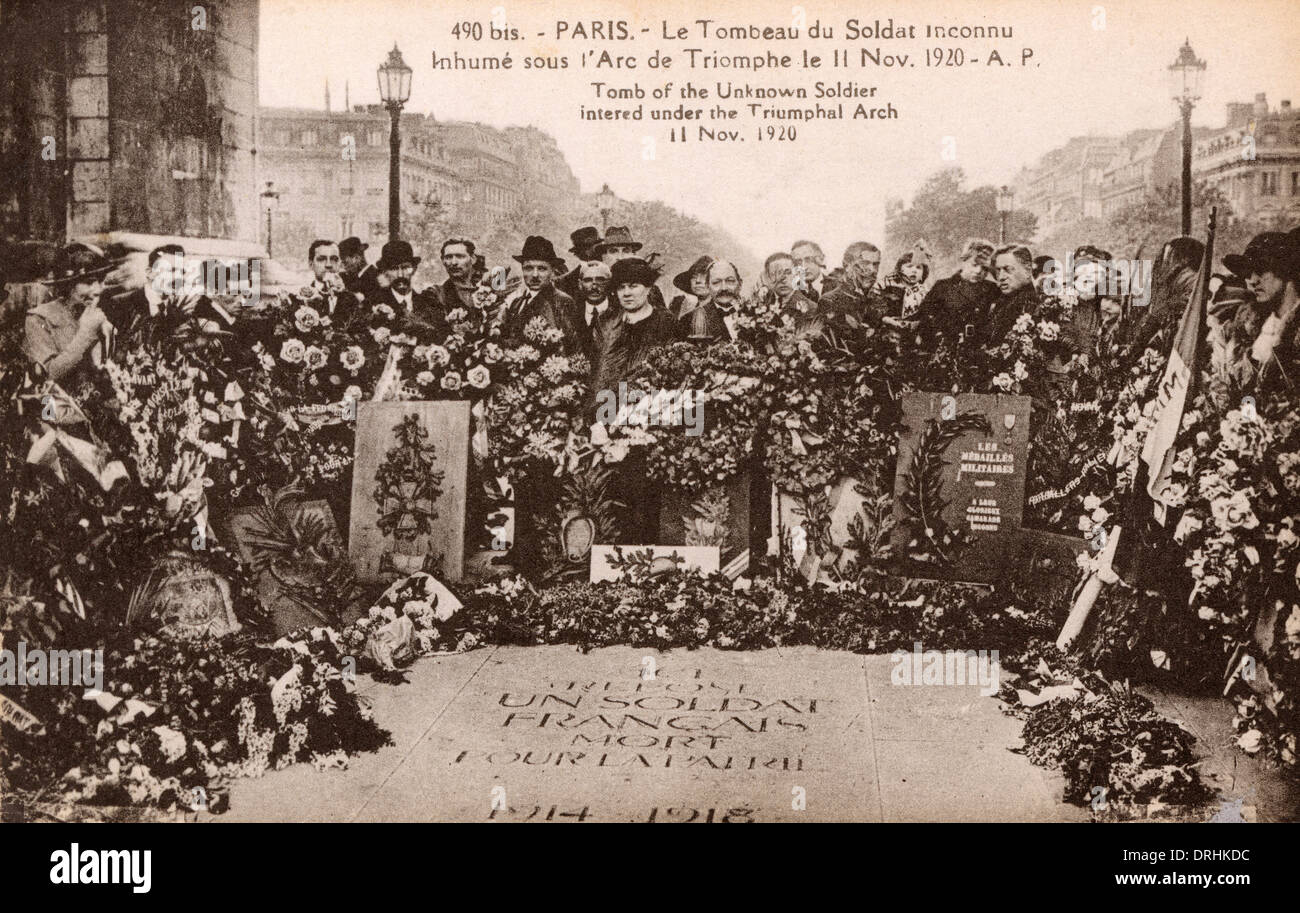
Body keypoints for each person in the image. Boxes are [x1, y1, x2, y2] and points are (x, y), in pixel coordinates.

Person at [1223, 230, 1300, 394]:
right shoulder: (1252, 325)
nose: (1252, 280)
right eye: (1249, 272)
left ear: (1285, 270)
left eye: (1261, 270)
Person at [24, 243, 113, 384]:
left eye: (100, 281)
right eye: (88, 282)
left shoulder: (104, 313)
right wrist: (85, 333)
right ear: (68, 285)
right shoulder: (39, 318)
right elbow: (47, 377)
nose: (97, 290)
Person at [497, 235, 583, 352]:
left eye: (542, 269)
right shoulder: (516, 303)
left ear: (552, 271)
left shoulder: (563, 301)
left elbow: (573, 347)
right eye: (529, 268)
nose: (535, 275)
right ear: (522, 270)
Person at [916, 238, 998, 347]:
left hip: (980, 352)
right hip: (946, 350)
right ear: (964, 261)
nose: (978, 271)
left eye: (985, 268)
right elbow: (923, 318)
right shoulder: (942, 287)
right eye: (974, 264)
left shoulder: (993, 290)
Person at [370, 240, 448, 340]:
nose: (400, 275)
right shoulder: (374, 305)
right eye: (394, 269)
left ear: (414, 268)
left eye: (405, 267)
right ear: (385, 271)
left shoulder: (429, 304)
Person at [981, 244, 1040, 349]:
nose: (1001, 277)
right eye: (998, 270)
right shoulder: (1000, 303)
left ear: (1028, 271)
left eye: (1008, 269)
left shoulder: (1035, 305)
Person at [819, 241, 886, 334]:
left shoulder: (880, 300)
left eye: (876, 264)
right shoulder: (830, 300)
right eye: (865, 263)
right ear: (847, 266)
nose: (873, 270)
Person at [304, 239, 362, 330]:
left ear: (340, 263)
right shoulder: (301, 300)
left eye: (334, 259)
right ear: (311, 264)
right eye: (321, 259)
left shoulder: (352, 300)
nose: (328, 265)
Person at [679, 259, 741, 344]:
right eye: (716, 282)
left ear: (740, 284)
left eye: (730, 281)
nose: (723, 288)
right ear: (708, 286)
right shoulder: (688, 320)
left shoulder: (758, 313)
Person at [572, 260, 611, 364]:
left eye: (600, 280)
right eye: (588, 280)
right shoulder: (571, 312)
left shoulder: (620, 312)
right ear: (579, 284)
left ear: (609, 283)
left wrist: (623, 382)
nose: (594, 287)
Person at [555, 226, 603, 301]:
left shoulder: (609, 271)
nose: (600, 252)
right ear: (586, 251)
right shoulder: (566, 281)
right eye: (596, 248)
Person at [433, 238, 479, 313]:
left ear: (473, 259)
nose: (454, 262)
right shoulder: (437, 295)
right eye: (448, 257)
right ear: (443, 261)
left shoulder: (486, 290)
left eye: (460, 256)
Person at [339, 236, 380, 304]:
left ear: (356, 258)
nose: (343, 267)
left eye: (345, 262)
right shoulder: (355, 276)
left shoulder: (375, 277)